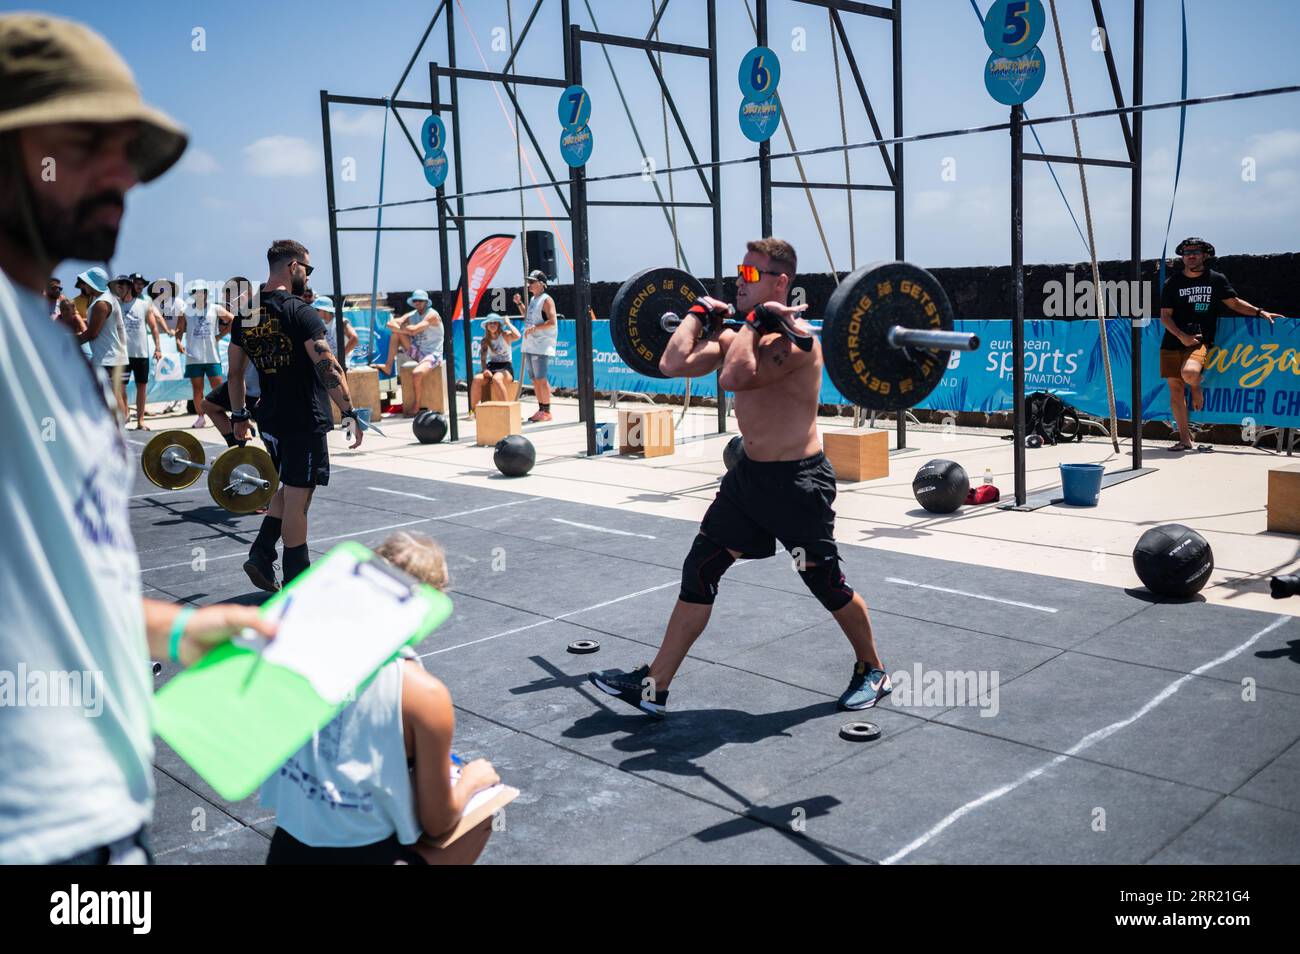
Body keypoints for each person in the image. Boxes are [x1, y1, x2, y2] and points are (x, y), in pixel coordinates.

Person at [0, 11, 273, 865]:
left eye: (129, 148)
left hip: (107, 817)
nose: (122, 172)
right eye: (85, 140)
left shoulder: (47, 336)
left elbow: (56, 572)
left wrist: (175, 631)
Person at [590, 238, 890, 718]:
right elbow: (671, 363)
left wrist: (749, 324)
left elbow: (735, 377)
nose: (738, 282)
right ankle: (654, 686)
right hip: (748, 481)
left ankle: (872, 668)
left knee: (825, 583)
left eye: (750, 275)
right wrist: (696, 313)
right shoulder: (740, 335)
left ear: (780, 282)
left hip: (798, 485)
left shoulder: (799, 343)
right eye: (738, 273)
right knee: (701, 570)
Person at [261, 531, 498, 865]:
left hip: (287, 852)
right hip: (366, 857)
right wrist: (475, 779)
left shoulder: (300, 659)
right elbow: (436, 824)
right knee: (480, 821)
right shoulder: (424, 694)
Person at [229, 239, 363, 591]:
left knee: (290, 489)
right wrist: (349, 411)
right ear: (293, 267)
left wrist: (240, 415)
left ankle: (260, 554)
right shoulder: (301, 312)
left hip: (269, 418)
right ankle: (296, 580)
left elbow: (235, 374)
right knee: (299, 502)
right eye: (308, 268)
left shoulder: (247, 314)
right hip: (303, 418)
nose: (308, 275)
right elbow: (327, 366)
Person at [1158, 236, 1282, 451]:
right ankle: (1185, 439)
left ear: (1205, 254)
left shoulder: (1216, 279)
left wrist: (1260, 312)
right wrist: (1180, 336)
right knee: (1175, 390)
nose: (1190, 256)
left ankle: (1196, 386)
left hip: (1199, 341)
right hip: (1173, 341)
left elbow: (1234, 303)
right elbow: (1164, 316)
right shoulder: (1173, 282)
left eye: (1195, 252)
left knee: (1189, 374)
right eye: (1186, 253)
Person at [201, 276, 262, 448]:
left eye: (231, 302)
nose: (229, 306)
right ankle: (235, 446)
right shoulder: (239, 320)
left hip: (262, 391)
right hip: (242, 386)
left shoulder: (261, 315)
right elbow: (235, 372)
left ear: (245, 294)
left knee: (271, 439)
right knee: (209, 405)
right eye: (227, 304)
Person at [73, 265, 129, 419]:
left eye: (85, 282)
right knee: (115, 396)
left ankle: (119, 433)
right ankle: (121, 432)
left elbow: (92, 333)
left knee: (112, 398)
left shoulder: (101, 303)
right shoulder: (107, 299)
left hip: (108, 358)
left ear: (92, 284)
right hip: (112, 357)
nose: (83, 285)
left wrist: (70, 341)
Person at [175, 280, 230, 428]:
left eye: (202, 292)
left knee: (218, 388)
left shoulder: (215, 308)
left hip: (212, 356)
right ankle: (201, 417)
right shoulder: (185, 310)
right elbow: (179, 329)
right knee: (197, 389)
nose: (200, 294)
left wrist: (220, 336)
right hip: (193, 357)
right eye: (196, 292)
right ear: (193, 294)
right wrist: (178, 342)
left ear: (206, 293)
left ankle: (222, 414)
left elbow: (232, 320)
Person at [111, 273, 162, 430]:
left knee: (142, 387)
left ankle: (140, 420)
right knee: (120, 387)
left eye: (123, 285)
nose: (121, 289)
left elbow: (153, 327)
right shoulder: (115, 305)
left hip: (141, 354)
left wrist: (158, 348)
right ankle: (125, 415)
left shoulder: (144, 305)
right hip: (122, 354)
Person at [514, 269, 557, 423]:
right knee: (534, 379)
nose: (529, 284)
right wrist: (519, 304)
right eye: (529, 281)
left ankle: (547, 411)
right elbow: (529, 317)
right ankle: (541, 409)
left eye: (532, 282)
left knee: (541, 378)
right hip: (531, 344)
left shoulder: (547, 299)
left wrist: (536, 328)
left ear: (541, 284)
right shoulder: (534, 299)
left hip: (541, 344)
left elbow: (552, 321)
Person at [373, 289, 442, 378]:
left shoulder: (432, 315)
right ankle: (388, 366)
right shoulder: (412, 315)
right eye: (415, 300)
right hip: (418, 353)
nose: (417, 303)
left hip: (432, 355)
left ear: (426, 302)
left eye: (420, 300)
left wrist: (406, 329)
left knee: (416, 375)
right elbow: (390, 323)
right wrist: (405, 330)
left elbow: (414, 331)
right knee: (395, 333)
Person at [470, 314, 520, 412]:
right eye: (490, 323)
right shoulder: (485, 340)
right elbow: (483, 359)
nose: (492, 325)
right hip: (492, 366)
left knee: (497, 379)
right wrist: (485, 370)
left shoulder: (505, 335)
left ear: (498, 325)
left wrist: (508, 323)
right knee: (476, 379)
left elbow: (518, 335)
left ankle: (507, 410)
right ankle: (473, 411)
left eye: (494, 323)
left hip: (506, 367)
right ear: (486, 326)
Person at [314, 295, 357, 365]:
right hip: (332, 364)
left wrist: (339, 357)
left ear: (325, 310)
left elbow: (354, 338)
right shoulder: (322, 324)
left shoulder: (341, 322)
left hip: (344, 364)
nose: (315, 312)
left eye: (317, 310)